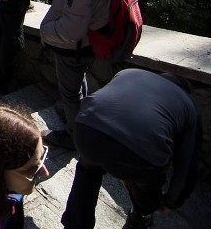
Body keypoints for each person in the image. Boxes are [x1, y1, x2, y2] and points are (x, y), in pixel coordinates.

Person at [62, 69, 201, 229]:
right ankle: (139, 220)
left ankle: (75, 225)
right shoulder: (189, 107)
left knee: (88, 171)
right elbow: (187, 165)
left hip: (86, 128)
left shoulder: (128, 72)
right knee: (147, 189)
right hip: (141, 155)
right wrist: (172, 202)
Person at [40, 0, 130, 150]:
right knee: (78, 84)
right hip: (95, 38)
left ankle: (74, 137)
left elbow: (71, 29)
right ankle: (80, 116)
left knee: (69, 92)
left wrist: (46, 30)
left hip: (75, 46)